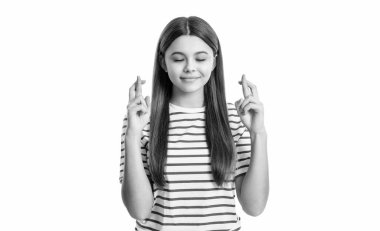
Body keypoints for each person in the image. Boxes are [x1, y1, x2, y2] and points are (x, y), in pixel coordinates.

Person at [119, 16, 269, 231]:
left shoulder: (234, 117)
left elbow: (254, 207)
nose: (190, 67)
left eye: (200, 58)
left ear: (214, 61)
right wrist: (132, 135)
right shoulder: (142, 119)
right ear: (163, 61)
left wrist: (258, 133)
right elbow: (139, 211)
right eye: (179, 59)